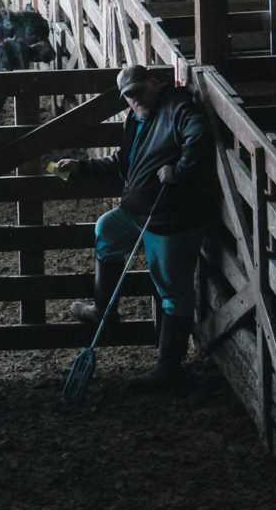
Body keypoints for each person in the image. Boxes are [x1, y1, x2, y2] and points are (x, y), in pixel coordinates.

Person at [57, 64, 215, 393]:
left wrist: (180, 170)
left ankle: (168, 368)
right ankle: (105, 311)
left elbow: (198, 135)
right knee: (106, 231)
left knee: (173, 289)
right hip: (137, 212)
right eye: (128, 97)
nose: (134, 101)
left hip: (172, 219)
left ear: (155, 83)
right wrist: (81, 167)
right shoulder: (136, 118)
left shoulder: (176, 107)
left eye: (138, 92)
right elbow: (122, 162)